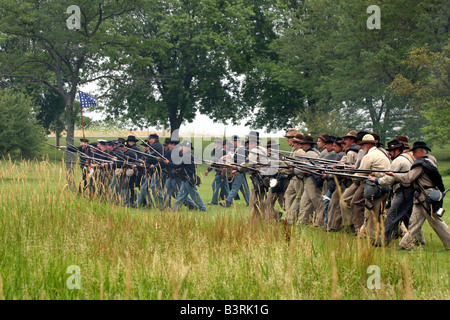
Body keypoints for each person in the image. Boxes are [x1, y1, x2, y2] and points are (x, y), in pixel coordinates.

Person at [387, 141, 450, 251]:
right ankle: (406, 245)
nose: (414, 155)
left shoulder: (421, 164)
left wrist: (394, 175)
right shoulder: (431, 160)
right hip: (422, 197)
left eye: (415, 152)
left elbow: (408, 178)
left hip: (425, 197)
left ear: (421, 151)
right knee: (414, 223)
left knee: (436, 222)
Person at [368, 137, 416, 246]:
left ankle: (383, 241)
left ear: (397, 150)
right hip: (407, 190)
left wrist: (376, 181)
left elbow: (389, 178)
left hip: (403, 190)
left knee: (392, 215)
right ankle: (418, 239)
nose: (389, 153)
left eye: (391, 151)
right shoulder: (406, 158)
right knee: (408, 218)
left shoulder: (398, 161)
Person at [354, 134, 391, 244]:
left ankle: (372, 238)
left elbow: (361, 173)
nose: (362, 147)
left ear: (369, 144)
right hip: (385, 186)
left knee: (372, 214)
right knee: (381, 213)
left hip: (375, 188)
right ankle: (382, 235)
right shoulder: (381, 154)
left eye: (363, 144)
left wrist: (349, 176)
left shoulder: (369, 156)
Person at [163, 140, 207, 212]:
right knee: (181, 195)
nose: (182, 148)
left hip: (189, 179)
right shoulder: (186, 156)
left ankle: (203, 208)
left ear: (188, 148)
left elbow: (177, 165)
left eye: (184, 147)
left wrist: (168, 163)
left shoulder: (187, 157)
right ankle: (175, 209)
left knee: (194, 195)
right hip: (185, 179)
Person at [295, 136, 323, 225]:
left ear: (307, 144)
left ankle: (321, 221)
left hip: (311, 179)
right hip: (309, 179)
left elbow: (303, 168)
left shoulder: (309, 154)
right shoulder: (315, 152)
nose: (301, 146)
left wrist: (295, 170)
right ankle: (301, 222)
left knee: (316, 200)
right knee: (305, 202)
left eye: (303, 144)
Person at [283, 133, 306, 224]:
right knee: (288, 196)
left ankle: (292, 219)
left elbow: (300, 166)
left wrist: (290, 169)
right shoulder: (295, 151)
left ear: (300, 143)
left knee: (298, 198)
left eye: (295, 142)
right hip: (294, 177)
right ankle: (289, 218)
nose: (293, 144)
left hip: (298, 178)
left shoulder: (300, 152)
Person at [205, 137, 230, 205]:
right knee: (225, 187)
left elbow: (225, 163)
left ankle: (214, 201)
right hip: (219, 171)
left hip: (221, 171)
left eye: (216, 142)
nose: (215, 143)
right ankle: (229, 200)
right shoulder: (215, 151)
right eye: (215, 142)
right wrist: (208, 170)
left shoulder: (223, 151)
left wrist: (222, 171)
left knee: (214, 185)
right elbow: (214, 162)